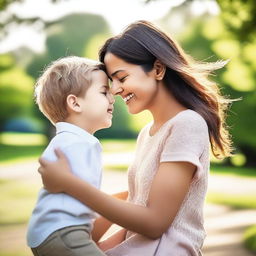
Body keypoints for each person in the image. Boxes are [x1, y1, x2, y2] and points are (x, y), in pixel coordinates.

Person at [38, 21, 233, 256]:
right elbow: (135, 227)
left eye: (121, 78)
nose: (115, 90)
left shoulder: (187, 124)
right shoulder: (147, 134)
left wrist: (70, 183)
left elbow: (154, 223)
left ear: (158, 69)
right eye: (112, 82)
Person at [26, 56, 115, 256]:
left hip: (54, 232)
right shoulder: (76, 142)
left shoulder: (69, 140)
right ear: (75, 103)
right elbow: (84, 193)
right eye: (104, 92)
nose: (112, 97)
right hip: (64, 231)